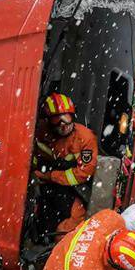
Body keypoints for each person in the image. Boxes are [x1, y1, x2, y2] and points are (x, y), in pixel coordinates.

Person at [33, 93, 98, 241]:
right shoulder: (41, 133)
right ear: (49, 121)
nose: (63, 124)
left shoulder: (85, 138)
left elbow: (84, 173)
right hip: (47, 187)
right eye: (57, 119)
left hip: (74, 189)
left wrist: (50, 176)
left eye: (66, 118)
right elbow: (33, 157)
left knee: (65, 230)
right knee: (44, 222)